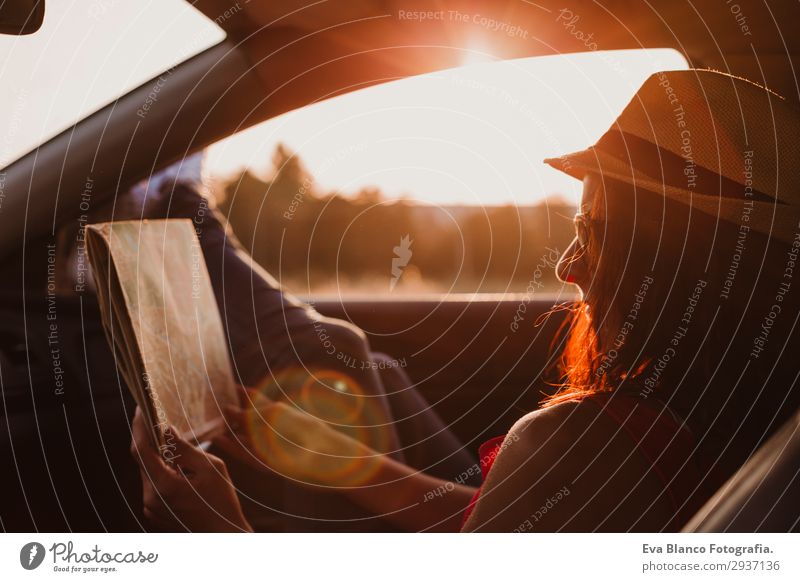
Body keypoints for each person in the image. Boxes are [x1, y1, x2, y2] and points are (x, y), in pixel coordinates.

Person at [130, 69, 800, 532]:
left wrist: (219, 535)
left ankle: (176, 207)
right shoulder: (744, 411)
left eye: (594, 239)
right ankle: (182, 209)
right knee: (365, 363)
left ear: (676, 270)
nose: (568, 266)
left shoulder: (580, 445)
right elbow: (503, 520)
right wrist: (346, 463)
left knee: (321, 355)